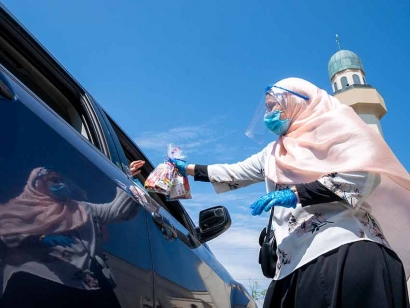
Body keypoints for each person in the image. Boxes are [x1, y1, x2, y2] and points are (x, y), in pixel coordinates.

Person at [164, 77, 410, 307]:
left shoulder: (338, 131)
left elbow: (364, 174)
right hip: (293, 264)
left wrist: (297, 194)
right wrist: (189, 169)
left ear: (297, 104)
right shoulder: (273, 153)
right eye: (268, 108)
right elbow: (233, 173)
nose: (269, 115)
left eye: (275, 107)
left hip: (344, 251)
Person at [0, 166, 144, 308]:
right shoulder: (19, 210)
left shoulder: (79, 208)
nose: (61, 185)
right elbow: (5, 232)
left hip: (84, 287)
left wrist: (127, 179)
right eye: (54, 180)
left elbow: (115, 211)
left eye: (61, 180)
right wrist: (38, 239)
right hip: (38, 283)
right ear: (38, 183)